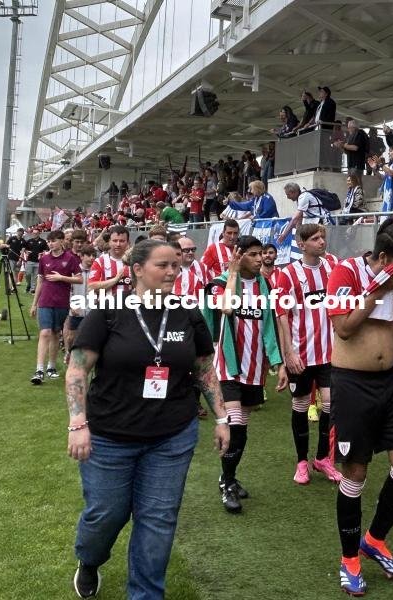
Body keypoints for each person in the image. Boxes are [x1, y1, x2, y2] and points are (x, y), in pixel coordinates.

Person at [66, 239, 228, 600]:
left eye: (175, 265)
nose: (172, 271)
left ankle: (145, 594)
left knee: (158, 518)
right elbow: (77, 370)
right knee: (106, 514)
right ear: (137, 269)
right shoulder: (108, 312)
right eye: (162, 265)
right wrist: (78, 423)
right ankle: (89, 559)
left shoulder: (188, 313)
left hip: (171, 435)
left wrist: (222, 417)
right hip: (109, 436)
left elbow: (204, 368)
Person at [326, 222, 393, 595]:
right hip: (352, 384)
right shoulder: (346, 273)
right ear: (383, 258)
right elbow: (344, 328)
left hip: (391, 382)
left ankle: (375, 540)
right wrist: (377, 290)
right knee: (355, 472)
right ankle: (350, 558)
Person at [200, 236, 287, 513]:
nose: (260, 259)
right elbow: (226, 307)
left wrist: (278, 362)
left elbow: (270, 324)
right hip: (228, 366)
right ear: (238, 256)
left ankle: (229, 477)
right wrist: (233, 273)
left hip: (254, 368)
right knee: (235, 425)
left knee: (242, 430)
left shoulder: (265, 285)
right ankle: (226, 484)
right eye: (253, 254)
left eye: (261, 253)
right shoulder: (218, 283)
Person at [274, 224, 342, 485]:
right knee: (301, 406)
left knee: (331, 404)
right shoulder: (288, 274)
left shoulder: (332, 266)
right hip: (301, 354)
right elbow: (281, 314)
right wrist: (288, 353)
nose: (321, 242)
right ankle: (301, 462)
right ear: (301, 244)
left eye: (322, 237)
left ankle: (323, 458)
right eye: (315, 238)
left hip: (329, 353)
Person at [30, 230, 83, 384]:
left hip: (61, 302)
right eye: (49, 241)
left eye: (53, 241)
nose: (51, 244)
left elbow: (79, 279)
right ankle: (39, 369)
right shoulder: (44, 259)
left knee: (55, 333)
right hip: (45, 301)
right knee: (45, 332)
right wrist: (34, 304)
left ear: (61, 241)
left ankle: (51, 367)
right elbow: (40, 281)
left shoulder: (70, 258)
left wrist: (61, 278)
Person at [65, 244, 97, 360]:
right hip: (76, 309)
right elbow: (67, 290)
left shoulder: (96, 271)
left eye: (93, 255)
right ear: (81, 256)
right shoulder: (74, 271)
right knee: (71, 336)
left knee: (89, 336)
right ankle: (68, 352)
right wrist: (71, 305)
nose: (91, 258)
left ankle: (85, 358)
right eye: (88, 255)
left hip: (91, 309)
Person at [88, 225, 131, 297]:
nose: (118, 244)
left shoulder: (133, 262)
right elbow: (91, 287)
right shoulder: (100, 261)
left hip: (128, 303)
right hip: (106, 303)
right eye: (115, 241)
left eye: (122, 241)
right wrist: (115, 280)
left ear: (127, 242)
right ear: (109, 242)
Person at [23, 229, 48, 294]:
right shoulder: (29, 241)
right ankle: (29, 285)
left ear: (39, 233)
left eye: (36, 233)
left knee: (35, 276)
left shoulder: (43, 241)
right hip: (30, 260)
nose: (35, 234)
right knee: (27, 274)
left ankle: (32, 289)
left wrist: (41, 254)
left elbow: (45, 251)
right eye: (34, 233)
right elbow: (25, 249)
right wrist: (27, 252)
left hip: (39, 261)